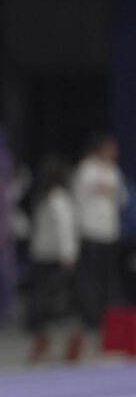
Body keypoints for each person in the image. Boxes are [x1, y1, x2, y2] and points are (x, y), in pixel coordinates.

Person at [74, 132, 128, 351]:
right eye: (110, 148)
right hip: (91, 232)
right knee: (92, 280)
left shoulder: (114, 171)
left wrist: (109, 190)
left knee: (108, 279)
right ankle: (91, 318)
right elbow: (78, 197)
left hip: (109, 232)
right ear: (100, 149)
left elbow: (122, 198)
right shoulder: (87, 169)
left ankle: (108, 320)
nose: (114, 152)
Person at [26, 155, 83, 364]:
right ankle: (48, 342)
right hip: (44, 256)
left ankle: (72, 342)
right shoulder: (47, 198)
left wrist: (67, 255)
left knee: (59, 304)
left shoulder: (58, 199)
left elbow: (64, 228)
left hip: (57, 259)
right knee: (46, 305)